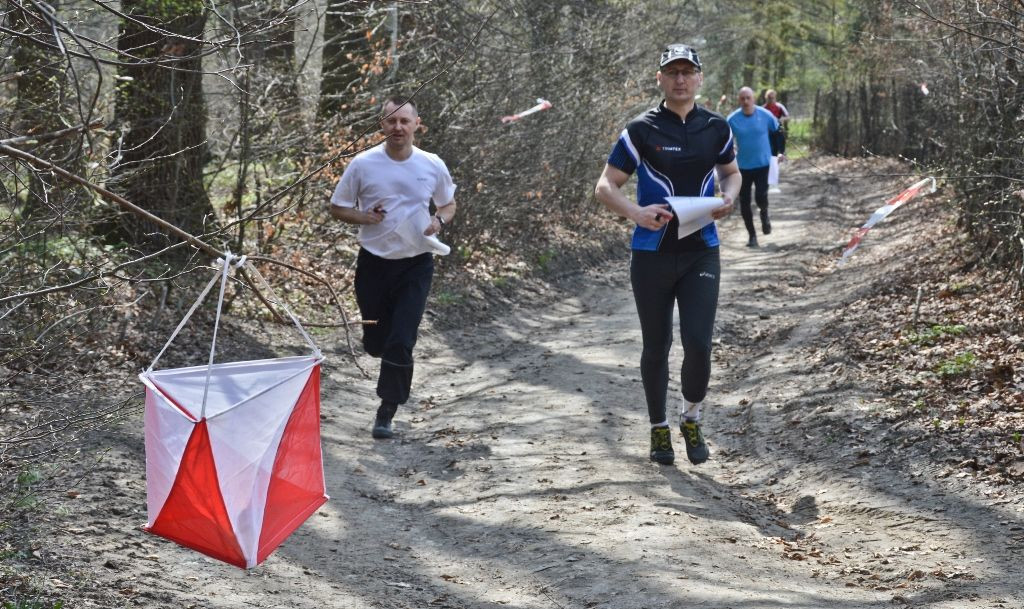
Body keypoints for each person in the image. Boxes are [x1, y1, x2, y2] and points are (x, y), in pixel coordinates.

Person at [594, 44, 740, 466]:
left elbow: (731, 174)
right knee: (656, 346)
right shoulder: (640, 129)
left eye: (687, 72)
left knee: (699, 344)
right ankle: (658, 428)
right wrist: (636, 213)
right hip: (652, 254)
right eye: (672, 72)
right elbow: (605, 186)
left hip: (701, 251)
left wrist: (728, 198)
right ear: (659, 78)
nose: (680, 79)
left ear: (699, 78)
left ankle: (691, 417)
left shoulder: (717, 127)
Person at [329, 95, 457, 439]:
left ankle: (386, 410)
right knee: (376, 342)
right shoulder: (363, 164)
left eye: (404, 121)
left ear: (417, 124)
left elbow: (448, 204)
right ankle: (377, 347)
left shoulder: (431, 164)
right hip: (373, 263)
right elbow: (338, 207)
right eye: (391, 121)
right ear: (382, 125)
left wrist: (439, 222)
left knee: (402, 339)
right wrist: (365, 217)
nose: (398, 127)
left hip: (416, 263)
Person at [727, 87, 779, 247]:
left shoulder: (765, 115)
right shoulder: (732, 119)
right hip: (742, 168)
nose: (745, 101)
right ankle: (752, 236)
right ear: (739, 100)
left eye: (748, 98)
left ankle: (764, 213)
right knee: (744, 202)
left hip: (763, 165)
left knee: (761, 197)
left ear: (754, 99)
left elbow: (778, 132)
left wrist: (779, 153)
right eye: (742, 98)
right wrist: (729, 151)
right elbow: (724, 141)